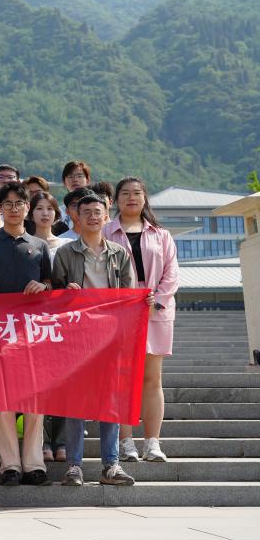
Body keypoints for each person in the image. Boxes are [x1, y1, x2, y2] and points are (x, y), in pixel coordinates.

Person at [53, 194, 140, 487]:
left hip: (110, 338)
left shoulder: (119, 253)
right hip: (76, 338)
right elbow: (53, 297)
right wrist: (65, 293)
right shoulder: (65, 254)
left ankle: (111, 465)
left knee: (109, 403)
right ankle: (74, 466)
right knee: (76, 405)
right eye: (86, 212)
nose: (92, 216)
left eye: (97, 212)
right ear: (76, 217)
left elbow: (129, 296)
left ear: (106, 217)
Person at [0, 181, 52, 486]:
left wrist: (43, 286)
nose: (14, 209)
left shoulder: (39, 246)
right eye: (8, 204)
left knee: (34, 402)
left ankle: (34, 464)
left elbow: (50, 285)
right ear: (0, 208)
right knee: (3, 402)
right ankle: (10, 466)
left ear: (27, 208)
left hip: (33, 334)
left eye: (19, 203)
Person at [105, 177, 179, 463]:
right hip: (119, 312)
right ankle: (125, 442)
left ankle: (152, 442)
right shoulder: (106, 231)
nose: (131, 198)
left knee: (152, 378)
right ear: (116, 200)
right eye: (125, 193)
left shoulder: (161, 234)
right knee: (122, 378)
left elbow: (171, 273)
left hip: (154, 311)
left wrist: (156, 301)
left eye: (137, 193)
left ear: (145, 198)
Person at [26, 190, 72, 463]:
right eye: (39, 208)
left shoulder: (67, 244)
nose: (45, 213)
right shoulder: (25, 242)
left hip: (61, 321)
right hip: (30, 321)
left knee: (61, 383)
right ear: (30, 213)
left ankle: (62, 440)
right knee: (35, 384)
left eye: (50, 208)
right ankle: (41, 439)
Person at [60, 160, 92, 229]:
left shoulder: (96, 207)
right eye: (70, 176)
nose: (75, 180)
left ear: (87, 180)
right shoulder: (58, 212)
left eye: (79, 176)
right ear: (64, 182)